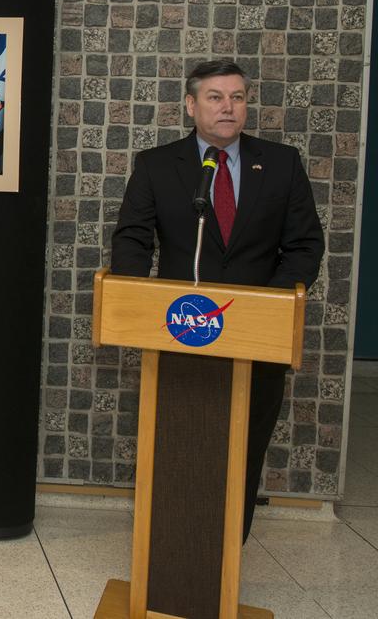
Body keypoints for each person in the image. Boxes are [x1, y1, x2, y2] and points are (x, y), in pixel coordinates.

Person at [110, 60, 324, 542]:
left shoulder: (282, 162)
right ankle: (170, 554)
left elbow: (306, 245)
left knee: (242, 451)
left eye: (238, 97)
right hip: (179, 332)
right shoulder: (158, 165)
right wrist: (133, 298)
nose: (228, 107)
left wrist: (262, 310)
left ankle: (226, 558)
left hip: (257, 341)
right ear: (191, 105)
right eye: (215, 97)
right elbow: (132, 242)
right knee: (179, 448)